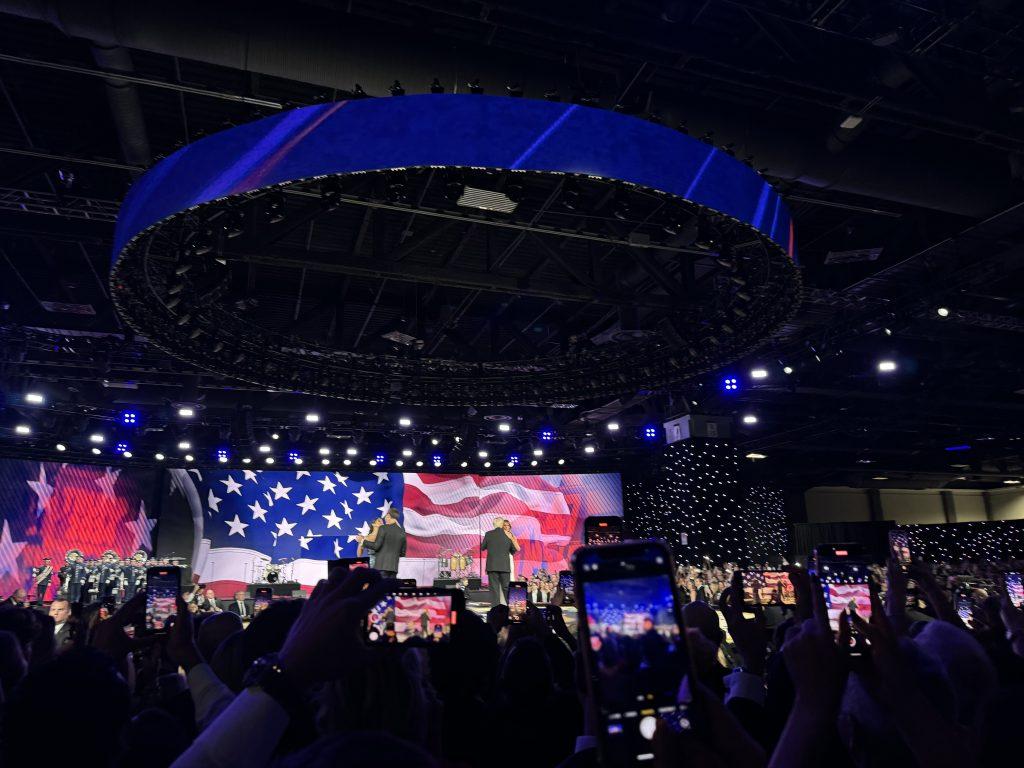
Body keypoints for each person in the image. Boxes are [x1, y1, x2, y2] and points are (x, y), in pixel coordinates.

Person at [359, 508, 406, 578]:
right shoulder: (401, 531)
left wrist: (362, 541)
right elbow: (402, 553)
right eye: (379, 521)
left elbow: (376, 546)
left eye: (382, 521)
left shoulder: (384, 531)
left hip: (382, 567)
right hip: (385, 568)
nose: (382, 522)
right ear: (373, 524)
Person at [481, 517, 516, 607]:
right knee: (506, 588)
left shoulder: (488, 534)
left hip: (492, 567)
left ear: (494, 525)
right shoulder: (508, 534)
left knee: (494, 589)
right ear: (502, 524)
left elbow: (482, 547)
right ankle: (512, 609)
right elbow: (513, 550)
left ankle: (495, 612)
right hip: (504, 567)